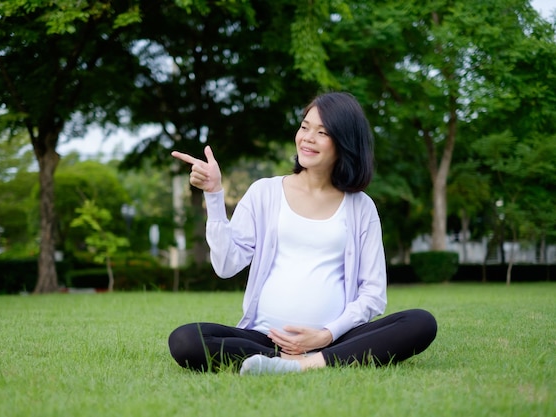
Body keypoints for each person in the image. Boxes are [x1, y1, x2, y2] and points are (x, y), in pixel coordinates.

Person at [168, 92, 437, 375]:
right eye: (305, 127)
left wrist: (326, 336)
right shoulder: (265, 192)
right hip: (266, 339)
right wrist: (214, 195)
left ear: (344, 142)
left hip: (335, 340)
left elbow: (373, 294)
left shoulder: (361, 207)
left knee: (420, 322)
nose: (307, 137)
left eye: (322, 132)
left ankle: (305, 364)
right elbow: (226, 266)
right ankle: (280, 360)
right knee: (185, 340)